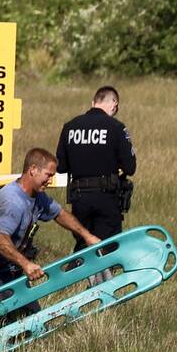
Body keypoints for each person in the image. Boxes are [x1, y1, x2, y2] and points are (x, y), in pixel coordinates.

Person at [0, 147, 101, 301]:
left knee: (31, 315)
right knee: (12, 317)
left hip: (7, 266)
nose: (50, 181)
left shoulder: (37, 196)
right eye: (48, 175)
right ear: (33, 170)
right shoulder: (12, 201)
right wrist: (26, 264)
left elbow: (59, 213)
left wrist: (87, 236)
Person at [56, 85, 137, 247]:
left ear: (93, 102)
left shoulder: (70, 127)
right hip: (106, 198)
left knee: (82, 246)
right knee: (107, 248)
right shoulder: (117, 127)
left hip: (79, 198)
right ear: (114, 104)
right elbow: (130, 168)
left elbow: (61, 167)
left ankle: (78, 271)